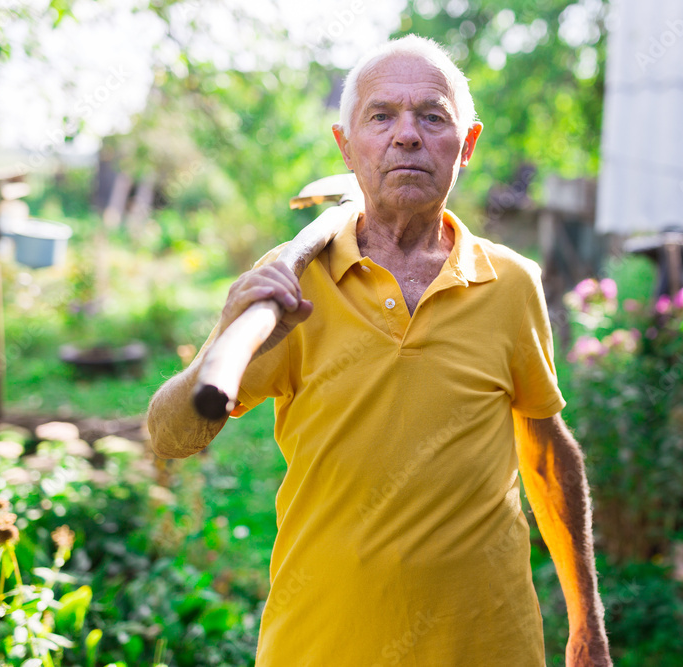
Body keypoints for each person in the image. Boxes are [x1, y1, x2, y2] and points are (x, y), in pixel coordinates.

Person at [148, 35, 611, 667]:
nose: (407, 136)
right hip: (322, 644)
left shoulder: (511, 283)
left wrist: (587, 622)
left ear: (466, 144)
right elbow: (173, 436)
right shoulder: (289, 289)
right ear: (346, 145)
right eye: (381, 116)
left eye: (431, 115)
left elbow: (547, 451)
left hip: (488, 644)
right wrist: (219, 344)